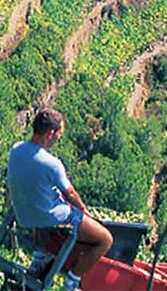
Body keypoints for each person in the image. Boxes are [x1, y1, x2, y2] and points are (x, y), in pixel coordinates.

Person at [7, 109, 113, 291]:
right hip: (49, 217)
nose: (59, 138)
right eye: (59, 134)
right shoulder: (52, 164)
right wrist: (85, 212)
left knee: (40, 203)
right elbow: (70, 193)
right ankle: (72, 282)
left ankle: (40, 259)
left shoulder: (16, 149)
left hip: (24, 215)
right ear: (50, 133)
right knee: (105, 239)